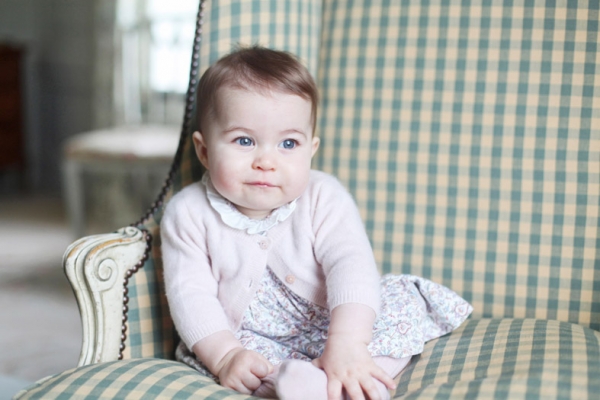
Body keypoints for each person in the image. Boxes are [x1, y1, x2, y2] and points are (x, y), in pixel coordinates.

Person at [161, 46, 472, 400]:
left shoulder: (323, 195)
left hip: (333, 320)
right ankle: (296, 383)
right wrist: (225, 355)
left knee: (395, 303)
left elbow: (350, 263)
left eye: (289, 143)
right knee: (237, 362)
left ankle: (358, 375)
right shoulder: (187, 213)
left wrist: (347, 342)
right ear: (204, 151)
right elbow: (191, 296)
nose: (266, 161)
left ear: (311, 149)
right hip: (251, 335)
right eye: (244, 141)